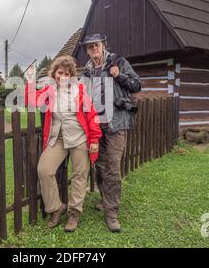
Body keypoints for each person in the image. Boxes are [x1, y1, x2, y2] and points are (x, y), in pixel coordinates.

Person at [25, 55, 102, 232]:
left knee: (80, 174)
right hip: (57, 138)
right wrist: (30, 81)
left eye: (67, 73)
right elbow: (31, 101)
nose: (63, 76)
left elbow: (91, 115)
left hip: (79, 138)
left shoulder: (80, 90)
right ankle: (56, 208)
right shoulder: (49, 90)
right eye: (60, 72)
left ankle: (74, 213)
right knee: (44, 170)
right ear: (54, 74)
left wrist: (94, 139)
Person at [79, 33, 141, 233]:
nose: (93, 49)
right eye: (89, 47)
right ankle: (105, 201)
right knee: (99, 165)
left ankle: (111, 212)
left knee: (112, 168)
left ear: (103, 45)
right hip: (96, 126)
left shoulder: (118, 62)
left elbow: (136, 85)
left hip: (115, 124)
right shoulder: (87, 71)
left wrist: (119, 75)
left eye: (96, 45)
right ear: (87, 51)